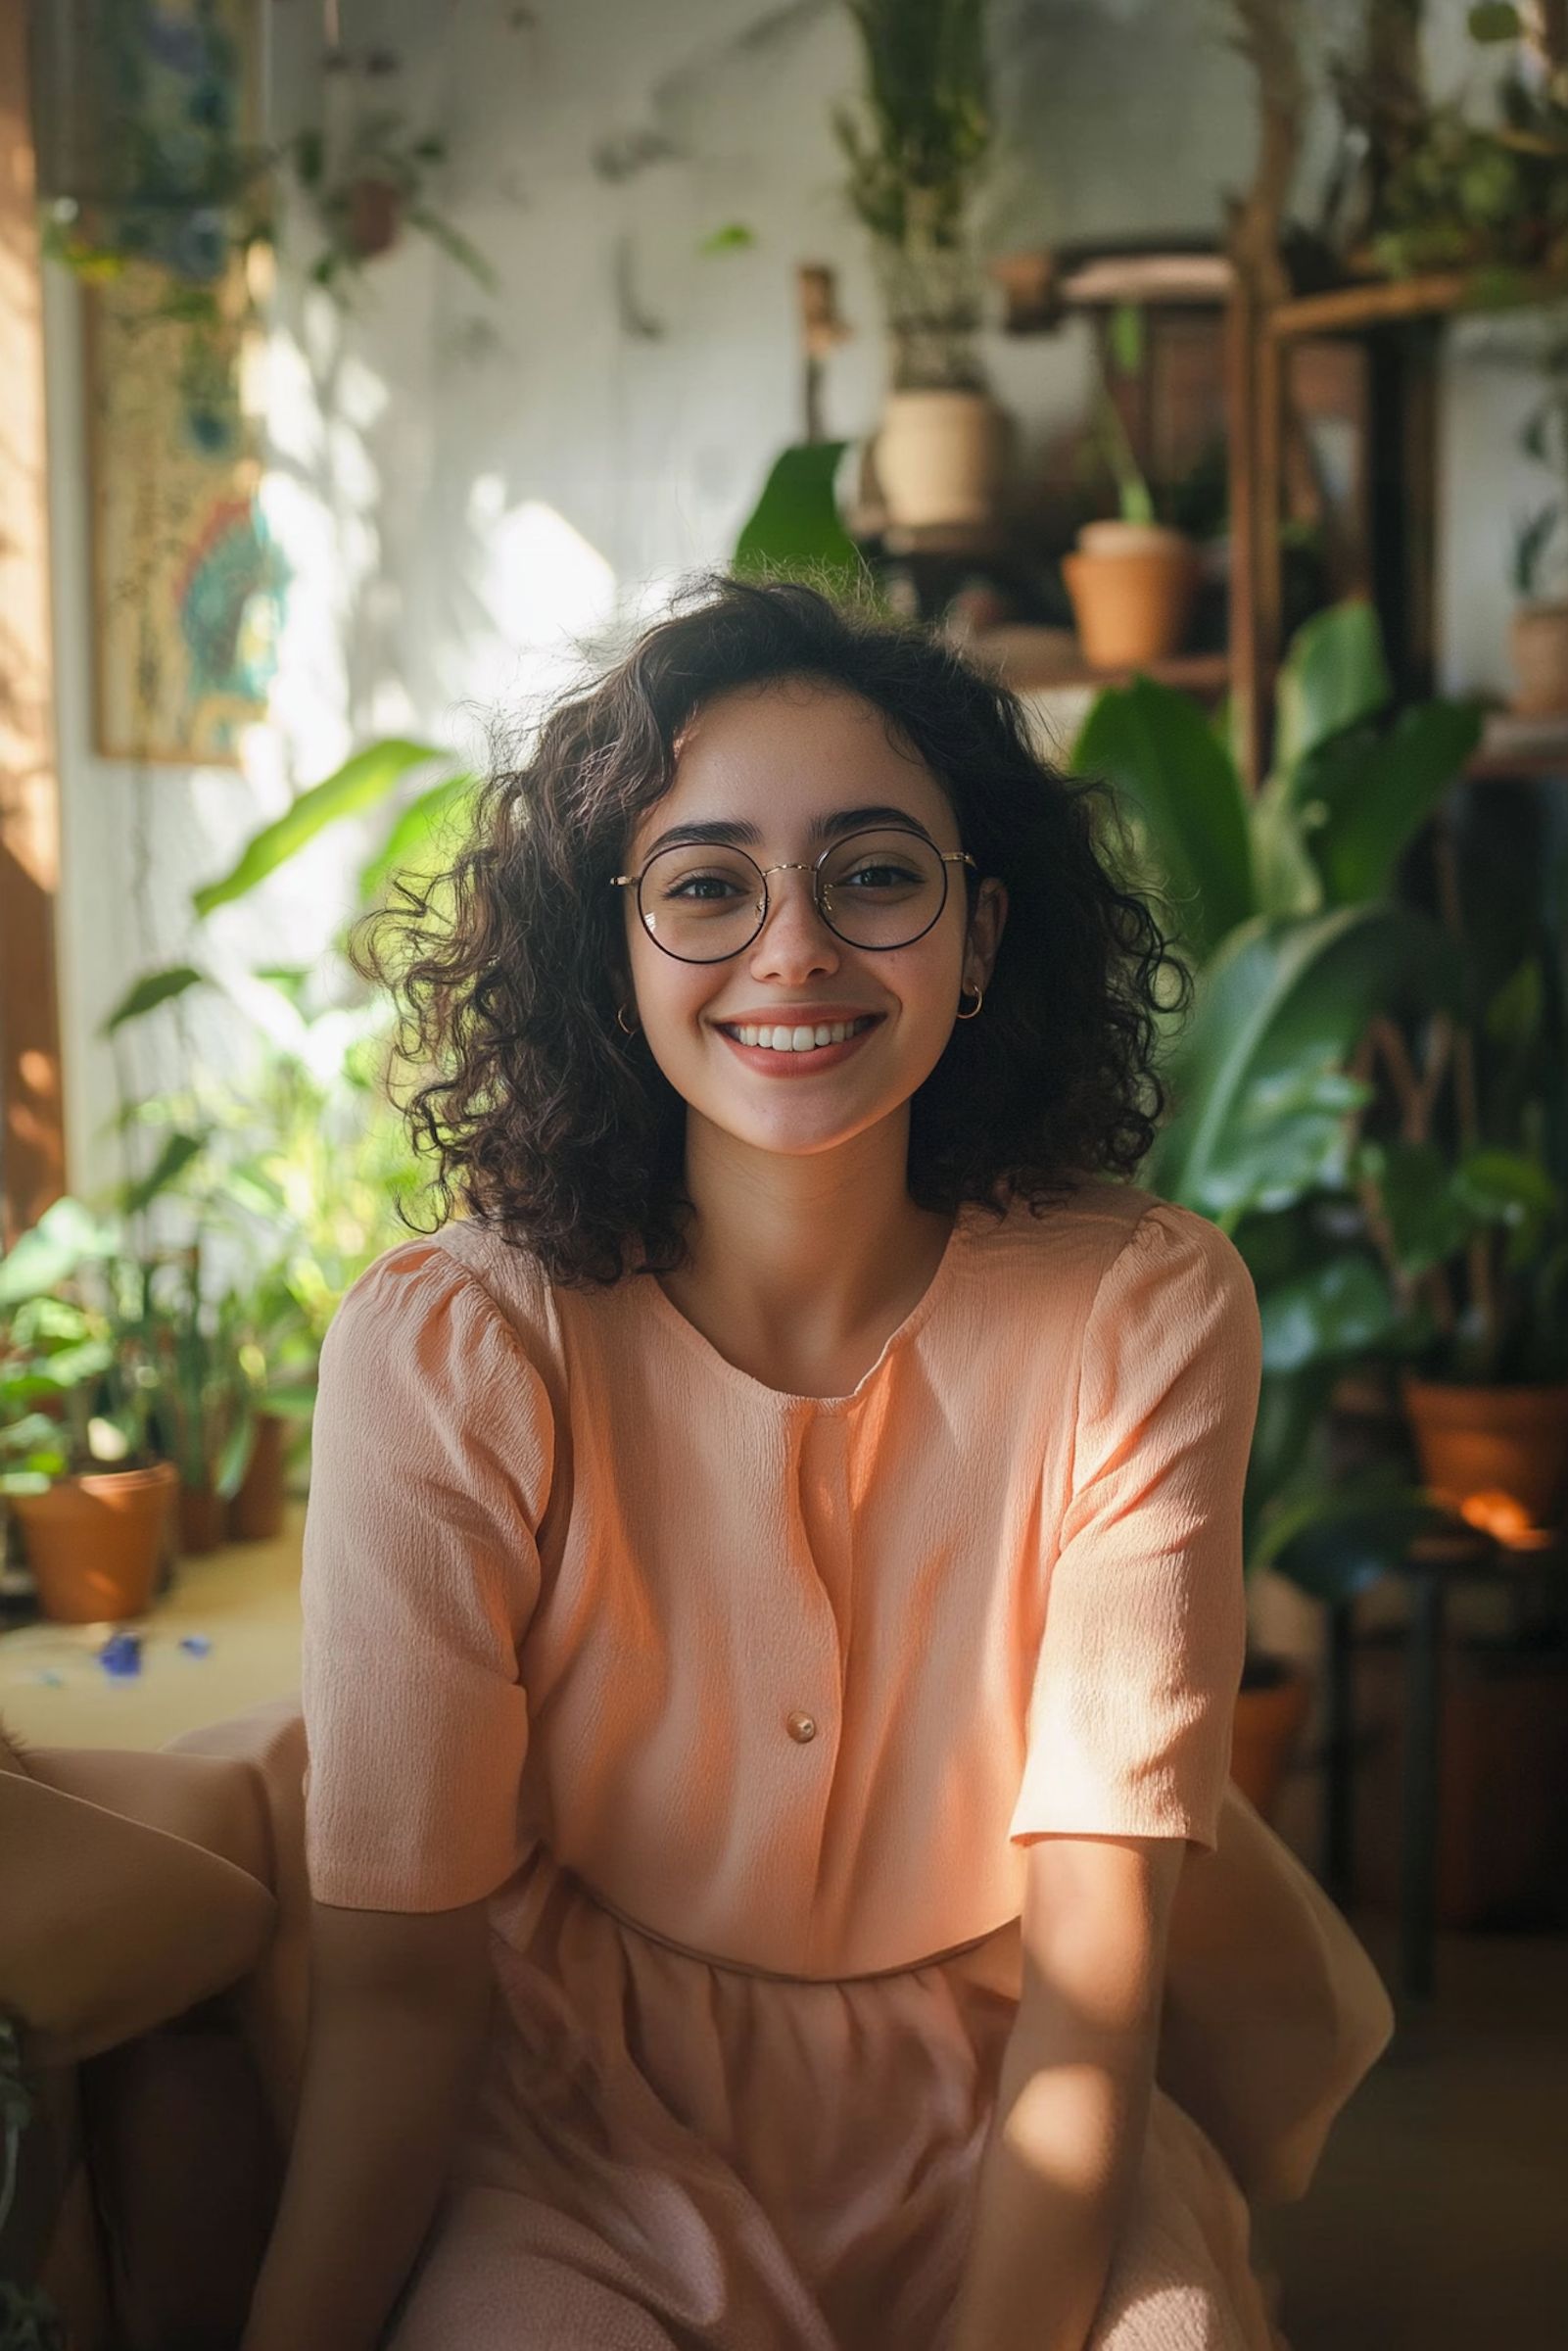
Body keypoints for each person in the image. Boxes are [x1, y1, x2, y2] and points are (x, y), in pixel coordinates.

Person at [240, 575, 1287, 2351]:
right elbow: (403, 2006)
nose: (792, 949)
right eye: (707, 886)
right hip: (577, 2134)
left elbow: (1094, 1996)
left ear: (978, 935)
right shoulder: (453, 1349)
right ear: (611, 948)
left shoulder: (1139, 1311)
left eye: (873, 875)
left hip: (1012, 2109)